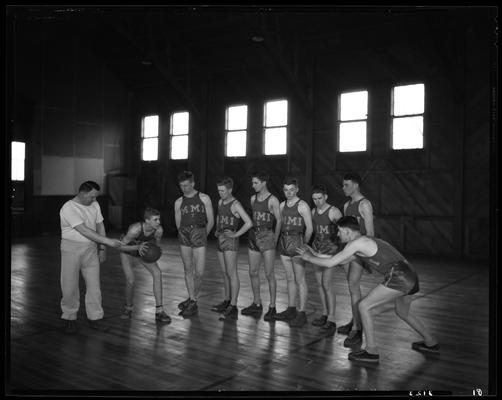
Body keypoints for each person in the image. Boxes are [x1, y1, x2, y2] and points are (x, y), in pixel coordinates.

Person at [297, 216, 439, 363]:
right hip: (410, 274)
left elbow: (330, 263)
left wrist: (308, 258)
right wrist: (312, 253)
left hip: (400, 276)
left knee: (364, 306)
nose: (338, 235)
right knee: (403, 312)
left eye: (339, 231)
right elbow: (340, 259)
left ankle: (371, 351)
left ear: (346, 231)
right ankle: (430, 341)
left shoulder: (357, 243)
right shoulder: (362, 242)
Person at [59, 181, 122, 334]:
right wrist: (108, 241)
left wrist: (102, 248)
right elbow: (84, 230)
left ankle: (95, 318)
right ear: (82, 193)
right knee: (69, 285)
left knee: (94, 286)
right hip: (71, 249)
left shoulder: (94, 204)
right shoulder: (68, 208)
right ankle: (69, 318)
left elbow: (100, 226)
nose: (94, 200)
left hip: (91, 249)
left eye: (96, 197)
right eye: (92, 197)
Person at [337, 172, 375, 348]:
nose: (343, 188)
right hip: (349, 249)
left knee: (353, 286)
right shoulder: (346, 205)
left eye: (346, 185)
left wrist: (362, 255)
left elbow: (370, 234)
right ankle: (355, 320)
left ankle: (357, 330)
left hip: (358, 252)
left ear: (356, 185)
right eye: (343, 185)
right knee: (352, 287)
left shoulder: (365, 204)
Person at [117, 207, 171, 323]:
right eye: (155, 220)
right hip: (128, 248)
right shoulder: (134, 230)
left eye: (159, 219)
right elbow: (119, 246)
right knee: (131, 279)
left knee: (157, 273)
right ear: (147, 220)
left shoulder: (158, 230)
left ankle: (159, 311)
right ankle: (128, 308)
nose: (159, 222)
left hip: (143, 249)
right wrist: (137, 247)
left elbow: (156, 245)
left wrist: (156, 251)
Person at [211, 177, 253, 320]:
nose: (221, 193)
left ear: (230, 190)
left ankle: (233, 306)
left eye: (223, 191)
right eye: (219, 191)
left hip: (230, 241)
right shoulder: (220, 201)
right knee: (224, 273)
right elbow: (219, 216)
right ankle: (227, 300)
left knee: (232, 273)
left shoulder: (236, 204)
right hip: (220, 239)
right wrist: (217, 229)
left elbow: (248, 222)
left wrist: (236, 234)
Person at [242, 171, 282, 321]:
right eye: (252, 183)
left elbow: (279, 220)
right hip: (254, 236)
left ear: (264, 183)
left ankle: (272, 306)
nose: (253, 186)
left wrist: (275, 239)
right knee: (252, 272)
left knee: (269, 274)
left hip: (267, 236)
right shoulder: (253, 199)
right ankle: (256, 303)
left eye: (255, 183)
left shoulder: (273, 200)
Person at [174, 171, 214, 317]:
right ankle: (192, 300)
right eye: (181, 186)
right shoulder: (178, 202)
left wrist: (203, 235)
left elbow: (211, 220)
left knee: (200, 272)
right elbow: (178, 223)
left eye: (186, 185)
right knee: (187, 269)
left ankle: (192, 298)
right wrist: (184, 234)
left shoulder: (204, 198)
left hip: (199, 232)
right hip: (184, 234)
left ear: (193, 183)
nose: (184, 188)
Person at [274, 177, 313, 327]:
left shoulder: (302, 206)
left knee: (300, 279)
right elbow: (280, 224)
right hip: (284, 242)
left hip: (297, 242)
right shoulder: (282, 205)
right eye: (286, 190)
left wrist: (305, 246)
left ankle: (302, 312)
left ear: (297, 189)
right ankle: (291, 308)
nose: (289, 192)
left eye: (291, 189)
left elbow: (309, 228)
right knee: (289, 278)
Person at [310, 184, 343, 336]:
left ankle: (332, 318)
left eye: (319, 198)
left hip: (330, 251)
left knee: (327, 285)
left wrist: (342, 252)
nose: (317, 201)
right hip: (317, 251)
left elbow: (344, 230)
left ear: (326, 197)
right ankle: (324, 313)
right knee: (319, 284)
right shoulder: (312, 211)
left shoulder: (334, 211)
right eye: (314, 199)